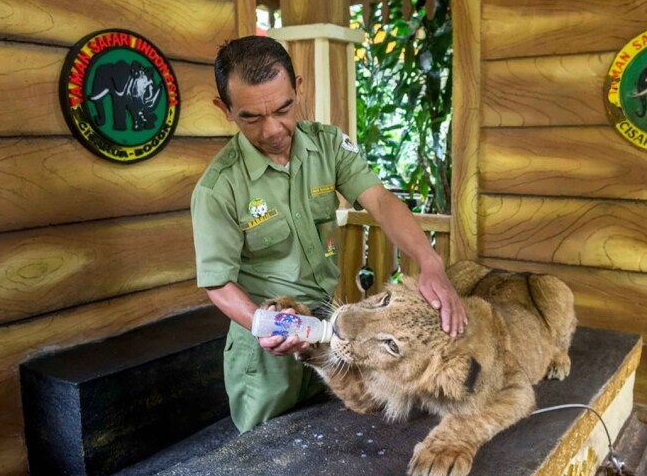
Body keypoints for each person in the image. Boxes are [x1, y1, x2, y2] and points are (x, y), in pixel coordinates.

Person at [191, 36, 466, 433]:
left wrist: (429, 260)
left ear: (298, 88)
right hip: (269, 355)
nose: (272, 129)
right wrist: (262, 325)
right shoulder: (218, 188)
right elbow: (217, 284)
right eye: (251, 117)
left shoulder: (327, 145)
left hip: (333, 332)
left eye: (284, 108)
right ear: (225, 109)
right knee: (272, 463)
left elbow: (382, 202)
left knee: (336, 441)